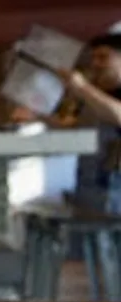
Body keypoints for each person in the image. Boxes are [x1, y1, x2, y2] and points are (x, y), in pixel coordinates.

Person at [52, 33, 121, 214]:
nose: (95, 64)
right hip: (88, 186)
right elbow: (76, 126)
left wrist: (82, 87)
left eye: (103, 57)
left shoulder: (91, 93)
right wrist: (37, 117)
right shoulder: (94, 95)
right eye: (94, 58)